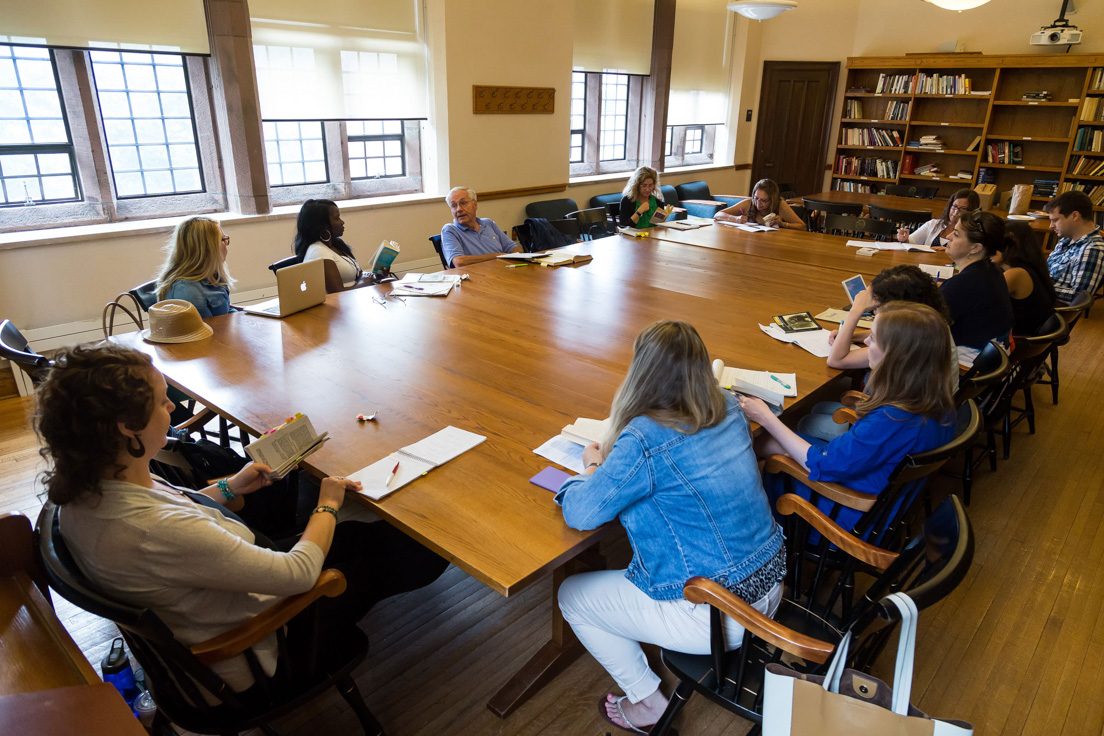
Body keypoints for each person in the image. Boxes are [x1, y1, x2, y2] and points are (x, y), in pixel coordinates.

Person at [38, 343, 448, 697]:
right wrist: (328, 501)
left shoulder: (93, 480)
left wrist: (232, 486)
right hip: (259, 649)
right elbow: (301, 573)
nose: (173, 407)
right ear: (126, 426)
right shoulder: (147, 531)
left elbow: (180, 505)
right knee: (409, 549)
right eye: (162, 400)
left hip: (211, 595)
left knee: (355, 536)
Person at [555, 321, 785, 733]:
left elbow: (582, 514)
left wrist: (591, 465)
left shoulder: (643, 438)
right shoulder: (728, 406)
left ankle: (647, 703)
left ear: (639, 371)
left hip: (717, 614)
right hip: (771, 585)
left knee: (572, 596)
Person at [743, 302, 956, 535]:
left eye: (873, 339)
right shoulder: (934, 400)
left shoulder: (893, 419)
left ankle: (757, 538)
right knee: (763, 443)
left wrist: (766, 417)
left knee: (760, 455)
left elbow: (822, 464)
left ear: (897, 356)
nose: (865, 343)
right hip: (874, 487)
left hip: (847, 511)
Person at [802, 266, 952, 441]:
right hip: (915, 416)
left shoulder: (900, 347)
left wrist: (856, 310)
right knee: (820, 407)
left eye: (876, 306)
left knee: (807, 421)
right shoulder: (929, 327)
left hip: (888, 425)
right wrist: (853, 336)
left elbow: (836, 360)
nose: (873, 310)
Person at [939, 210, 1013, 350]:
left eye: (956, 234)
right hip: (991, 355)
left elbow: (924, 326)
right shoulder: (993, 271)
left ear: (975, 248)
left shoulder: (963, 284)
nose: (948, 236)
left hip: (968, 359)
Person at [155, 216, 235, 318]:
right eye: (223, 240)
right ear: (207, 247)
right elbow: (210, 329)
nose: (226, 244)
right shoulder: (187, 290)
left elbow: (226, 311)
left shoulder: (213, 274)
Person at [293, 199, 379, 293]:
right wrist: (364, 282)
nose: (342, 222)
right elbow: (337, 294)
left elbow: (359, 274)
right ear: (323, 225)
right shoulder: (318, 251)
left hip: (357, 298)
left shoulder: (337, 244)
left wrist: (375, 276)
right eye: (337, 218)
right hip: (341, 305)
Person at [993, 221, 1057, 336]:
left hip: (1019, 344)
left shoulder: (1016, 274)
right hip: (1025, 339)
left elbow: (980, 300)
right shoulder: (1030, 268)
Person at [1044, 191, 1104, 304]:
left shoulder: (1091, 249)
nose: (1051, 226)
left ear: (1075, 216)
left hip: (1050, 310)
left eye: (1055, 220)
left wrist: (1034, 286)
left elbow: (1078, 298)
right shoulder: (1066, 240)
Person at [440, 187, 521, 267]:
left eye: (463, 203)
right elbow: (459, 262)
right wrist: (498, 256)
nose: (458, 209)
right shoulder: (450, 230)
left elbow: (514, 249)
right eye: (454, 206)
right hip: (476, 277)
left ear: (475, 205)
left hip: (503, 270)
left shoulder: (488, 223)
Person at [896, 188, 980, 250]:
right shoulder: (933, 224)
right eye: (954, 206)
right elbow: (912, 241)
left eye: (963, 209)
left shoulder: (973, 233)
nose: (956, 212)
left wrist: (949, 250)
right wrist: (905, 239)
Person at [714, 178, 804, 230]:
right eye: (756, 198)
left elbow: (802, 227)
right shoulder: (749, 203)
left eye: (763, 200)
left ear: (772, 200)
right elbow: (718, 215)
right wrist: (736, 218)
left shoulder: (780, 205)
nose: (758, 203)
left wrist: (783, 224)